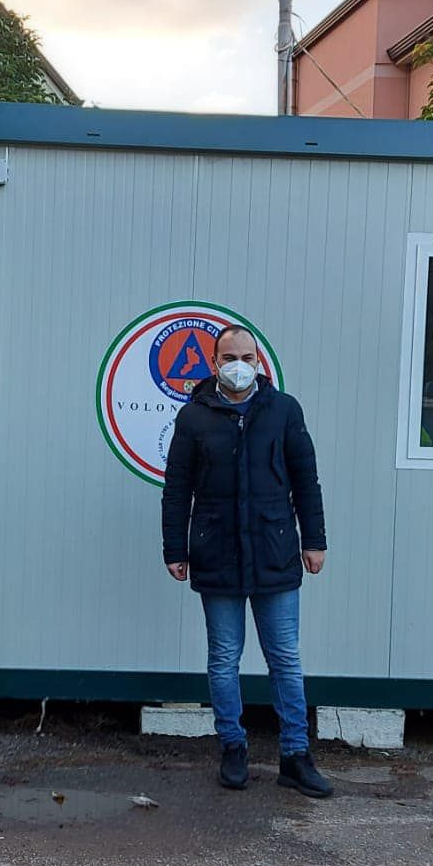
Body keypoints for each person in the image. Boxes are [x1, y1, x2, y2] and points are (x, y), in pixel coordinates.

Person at [161, 324, 330, 797]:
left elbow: (306, 480)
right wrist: (175, 549)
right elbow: (177, 489)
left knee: (285, 659)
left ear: (259, 362)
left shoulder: (284, 410)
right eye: (229, 357)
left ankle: (295, 755)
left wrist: (314, 540)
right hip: (216, 553)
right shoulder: (193, 418)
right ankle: (233, 747)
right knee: (223, 658)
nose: (239, 365)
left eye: (247, 357)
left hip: (275, 552)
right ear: (214, 363)